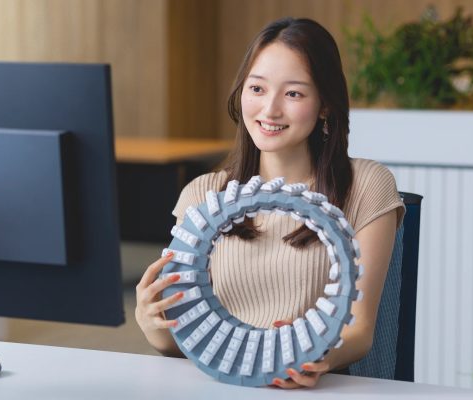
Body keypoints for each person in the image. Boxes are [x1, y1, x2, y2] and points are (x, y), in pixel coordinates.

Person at [135, 17, 405, 389]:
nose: (270, 110)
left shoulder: (366, 186)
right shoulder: (203, 195)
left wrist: (315, 357)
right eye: (257, 88)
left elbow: (359, 330)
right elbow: (180, 340)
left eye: (293, 93)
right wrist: (154, 323)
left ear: (325, 105)